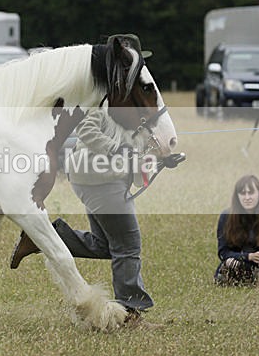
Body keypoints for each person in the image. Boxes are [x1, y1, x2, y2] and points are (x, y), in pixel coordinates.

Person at [9, 33, 163, 324]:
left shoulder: (129, 103)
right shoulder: (105, 99)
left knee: (104, 244)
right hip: (99, 179)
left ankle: (44, 237)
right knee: (128, 245)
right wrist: (117, 149)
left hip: (98, 180)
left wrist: (155, 155)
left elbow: (130, 141)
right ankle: (130, 309)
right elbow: (88, 132)